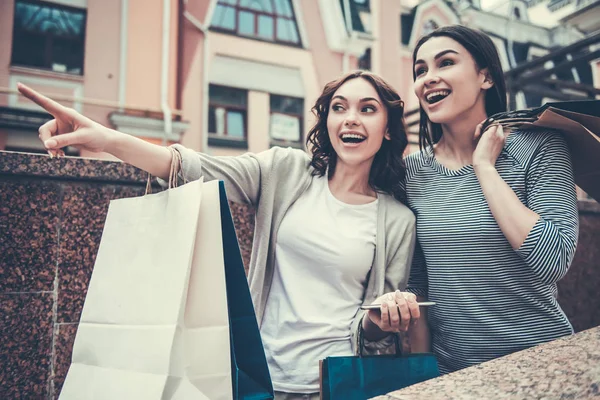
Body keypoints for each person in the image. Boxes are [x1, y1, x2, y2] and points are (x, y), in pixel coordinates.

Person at [19, 70, 423, 399]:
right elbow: (193, 167)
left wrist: (386, 316)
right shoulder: (285, 171)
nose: (351, 118)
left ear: (387, 129)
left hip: (337, 384)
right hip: (258, 377)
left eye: (367, 109)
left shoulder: (396, 220)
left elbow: (373, 330)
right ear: (328, 121)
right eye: (339, 107)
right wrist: (105, 138)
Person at [404, 25, 579, 374]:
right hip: (451, 372)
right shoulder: (412, 171)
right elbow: (418, 284)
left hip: (541, 364)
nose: (429, 78)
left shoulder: (540, 147)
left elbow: (554, 259)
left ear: (485, 76)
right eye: (421, 70)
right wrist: (421, 378)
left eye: (445, 63)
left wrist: (484, 166)